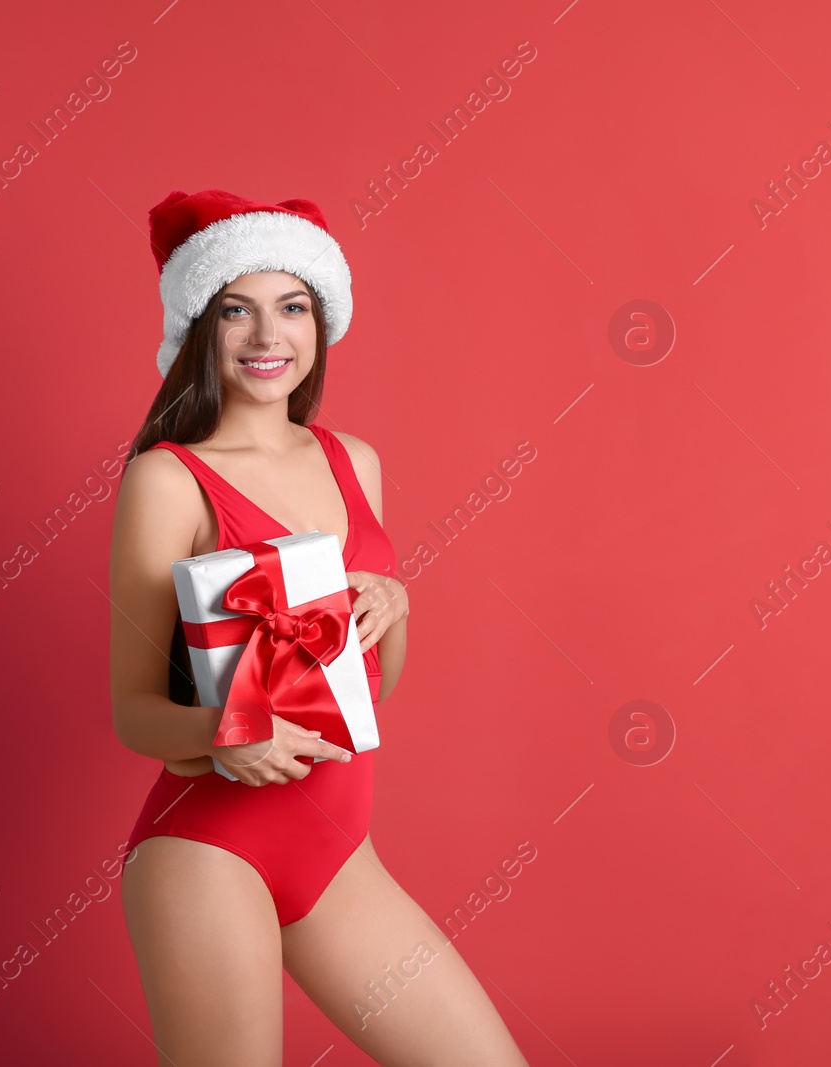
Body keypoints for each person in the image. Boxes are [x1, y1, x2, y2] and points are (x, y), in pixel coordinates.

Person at [109, 189, 529, 1066]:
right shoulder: (169, 479)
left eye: (291, 307)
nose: (269, 338)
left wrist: (395, 608)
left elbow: (370, 690)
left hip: (340, 859)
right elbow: (135, 712)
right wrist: (231, 733)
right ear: (199, 325)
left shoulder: (354, 462)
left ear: (321, 320)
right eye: (238, 310)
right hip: (207, 851)